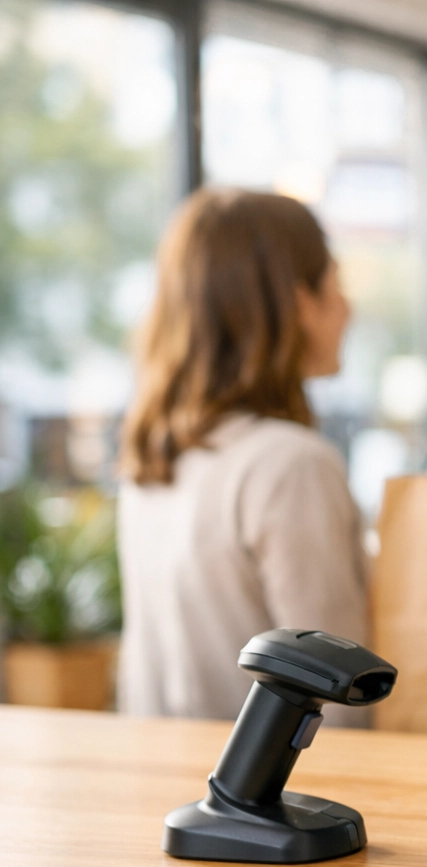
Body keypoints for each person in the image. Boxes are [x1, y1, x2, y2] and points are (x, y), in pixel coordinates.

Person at [117, 188, 370, 723]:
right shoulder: (290, 465)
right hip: (274, 802)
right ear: (301, 302)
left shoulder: (158, 456)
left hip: (173, 791)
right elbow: (343, 697)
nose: (349, 307)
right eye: (337, 282)